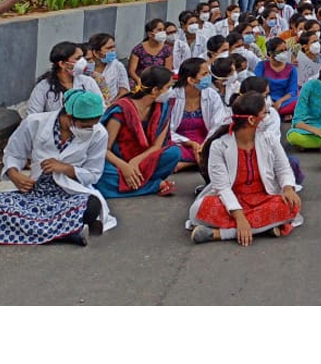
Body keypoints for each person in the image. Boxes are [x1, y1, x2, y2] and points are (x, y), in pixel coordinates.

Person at [188, 91, 303, 245]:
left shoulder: (269, 139)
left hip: (264, 197)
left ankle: (218, 234)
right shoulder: (220, 145)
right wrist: (239, 217)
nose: (267, 117)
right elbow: (221, 187)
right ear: (251, 119)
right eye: (265, 113)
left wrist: (288, 188)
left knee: (290, 206)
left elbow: (283, 168)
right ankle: (264, 228)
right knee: (198, 210)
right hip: (230, 200)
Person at [0, 89, 112, 246]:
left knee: (91, 205)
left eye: (92, 125)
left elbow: (93, 174)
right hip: (34, 193)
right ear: (68, 116)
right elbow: (13, 153)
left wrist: (66, 168)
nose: (90, 130)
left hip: (68, 194)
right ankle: (69, 233)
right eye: (85, 125)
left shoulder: (99, 133)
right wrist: (14, 175)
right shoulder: (34, 122)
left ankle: (45, 229)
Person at [97, 66, 183, 198]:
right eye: (167, 87)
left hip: (143, 160)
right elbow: (105, 149)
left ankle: (134, 183)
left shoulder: (163, 108)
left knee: (174, 153)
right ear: (155, 90)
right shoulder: (121, 109)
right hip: (118, 162)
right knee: (101, 176)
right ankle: (153, 186)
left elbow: (157, 146)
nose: (170, 92)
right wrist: (125, 167)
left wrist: (135, 162)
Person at [167, 58, 230, 168]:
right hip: (180, 142)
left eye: (208, 73)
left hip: (205, 140)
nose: (209, 77)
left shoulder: (212, 95)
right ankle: (200, 162)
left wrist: (203, 146)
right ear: (191, 80)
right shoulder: (172, 97)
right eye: (204, 74)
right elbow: (166, 130)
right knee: (168, 151)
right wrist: (190, 143)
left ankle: (187, 164)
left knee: (223, 146)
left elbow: (217, 125)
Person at [28, 42, 103, 115]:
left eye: (82, 57)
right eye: (78, 58)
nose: (82, 61)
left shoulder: (88, 82)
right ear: (62, 64)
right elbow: (32, 116)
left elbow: (101, 107)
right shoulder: (43, 87)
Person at [84, 33, 130, 107]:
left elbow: (124, 90)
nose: (113, 50)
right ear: (96, 53)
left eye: (113, 47)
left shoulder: (117, 66)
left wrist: (110, 105)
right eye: (109, 48)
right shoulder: (87, 67)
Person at [255, 39, 299, 116]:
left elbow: (292, 90)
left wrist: (280, 101)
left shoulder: (291, 68)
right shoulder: (261, 66)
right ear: (271, 53)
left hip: (285, 100)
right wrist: (269, 101)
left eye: (285, 50)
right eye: (280, 51)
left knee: (298, 101)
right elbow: (257, 86)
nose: (284, 53)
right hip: (266, 98)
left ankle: (274, 112)